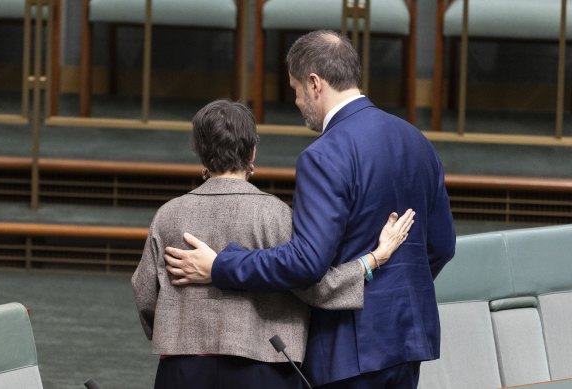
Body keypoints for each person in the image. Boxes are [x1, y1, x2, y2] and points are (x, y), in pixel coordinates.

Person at [164, 30, 456, 389]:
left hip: (349, 350)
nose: (298, 102)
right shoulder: (418, 142)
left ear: (315, 83)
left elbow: (306, 262)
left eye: (296, 90)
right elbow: (442, 246)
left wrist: (220, 266)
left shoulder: (325, 155)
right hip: (409, 339)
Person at [131, 99, 415, 389]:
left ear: (199, 151)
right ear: (252, 151)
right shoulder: (276, 215)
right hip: (264, 369)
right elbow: (316, 287)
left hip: (182, 369)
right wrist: (375, 258)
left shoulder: (167, 216)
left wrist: (174, 330)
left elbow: (145, 295)